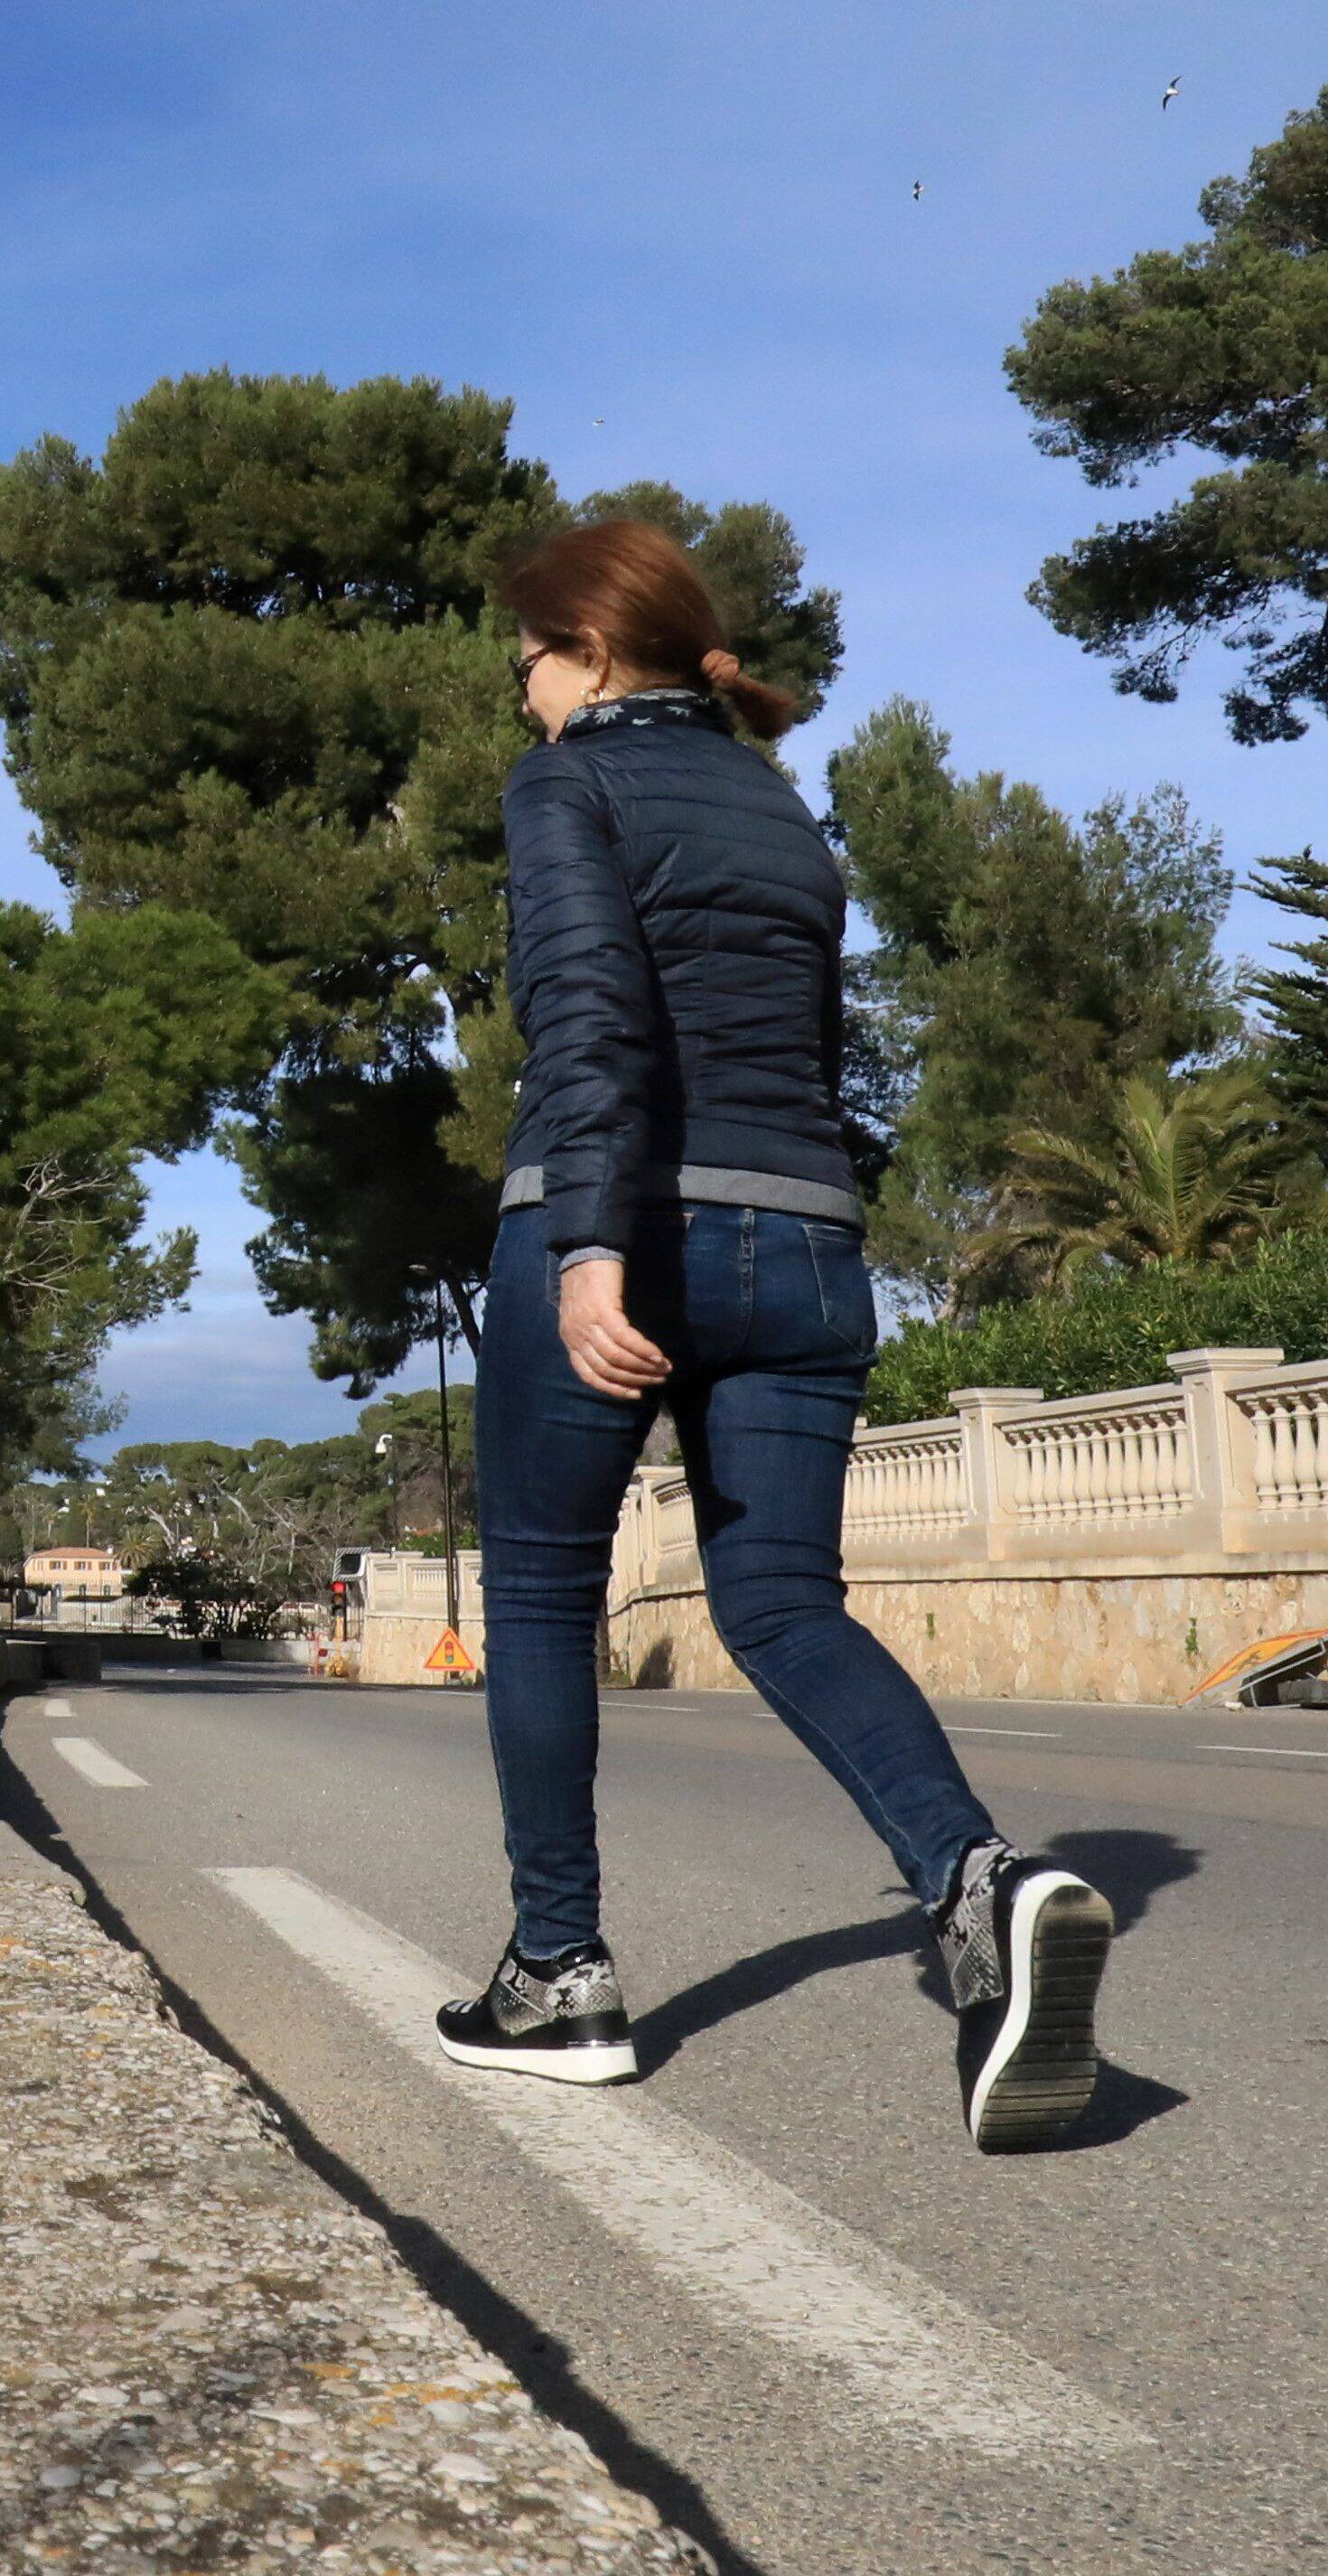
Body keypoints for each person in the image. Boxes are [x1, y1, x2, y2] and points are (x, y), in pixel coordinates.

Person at [435, 515, 1116, 2150]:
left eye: (523, 653)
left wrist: (591, 1248)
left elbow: (587, 1015)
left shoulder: (563, 783)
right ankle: (975, 1884)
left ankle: (557, 1977)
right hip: (807, 1246)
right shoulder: (772, 801)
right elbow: (809, 1053)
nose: (516, 684)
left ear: (587, 652)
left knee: (535, 1594)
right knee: (789, 1610)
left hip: (626, 1227)